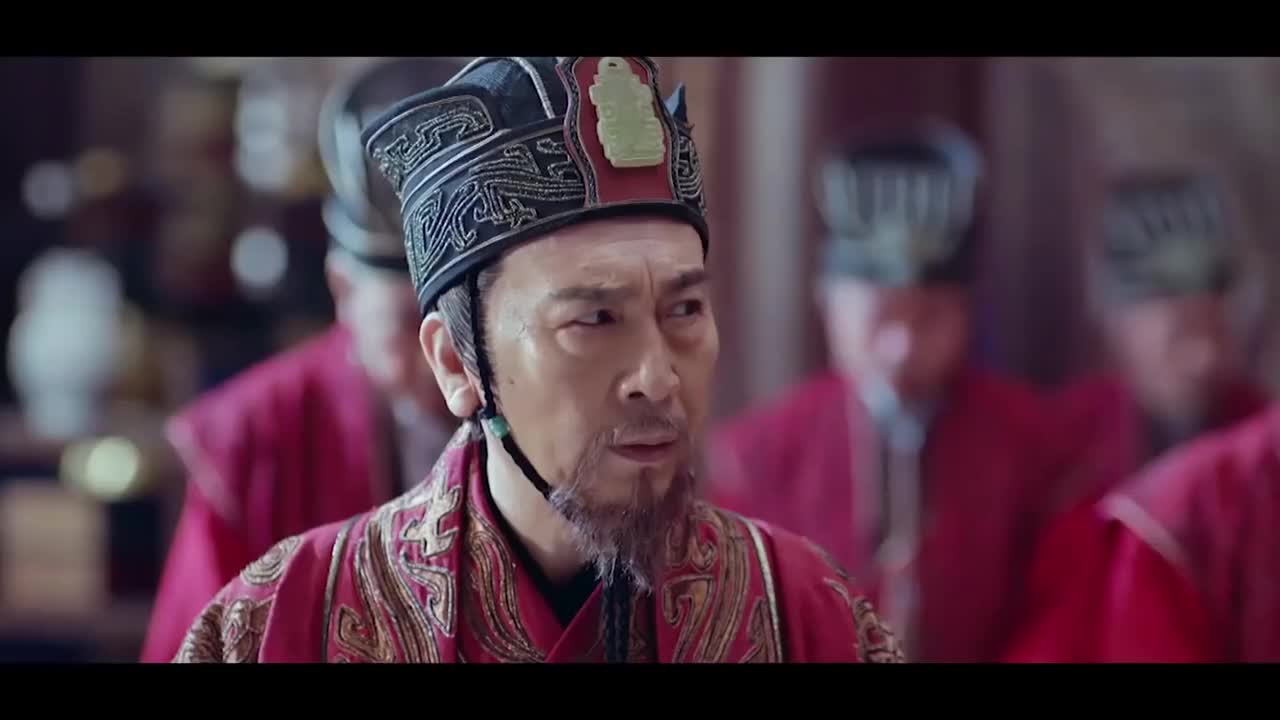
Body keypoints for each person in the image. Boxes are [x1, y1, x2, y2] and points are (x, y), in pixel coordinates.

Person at [170, 56, 905, 664]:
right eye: (594, 319)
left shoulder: (809, 617)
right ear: (457, 363)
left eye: (684, 310)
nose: (657, 376)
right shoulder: (279, 625)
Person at [141, 58, 464, 663]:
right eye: (409, 323)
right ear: (343, 291)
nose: (450, 358)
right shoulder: (255, 437)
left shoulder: (550, 409)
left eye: (471, 320)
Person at [706, 122, 1064, 662]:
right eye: (881, 317)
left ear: (971, 311)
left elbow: (1058, 614)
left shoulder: (1034, 443)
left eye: (932, 318)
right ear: (828, 301)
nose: (903, 347)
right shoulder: (757, 455)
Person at [1005, 171, 1272, 662]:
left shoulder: (1259, 442)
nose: (1204, 356)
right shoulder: (1059, 448)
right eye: (1181, 329)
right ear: (1116, 321)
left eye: (1215, 325)